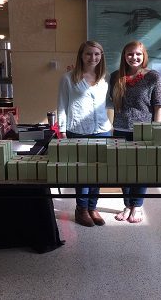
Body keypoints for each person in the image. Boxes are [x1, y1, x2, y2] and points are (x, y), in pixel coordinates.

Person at [107, 40, 161, 223]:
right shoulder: (116, 76)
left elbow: (159, 106)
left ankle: (137, 206)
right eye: (130, 54)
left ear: (144, 56)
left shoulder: (154, 77)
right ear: (124, 56)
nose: (134, 57)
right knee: (123, 170)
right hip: (120, 129)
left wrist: (156, 130)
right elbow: (111, 104)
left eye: (138, 54)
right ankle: (127, 205)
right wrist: (110, 127)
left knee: (141, 170)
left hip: (144, 131)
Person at [57, 40, 112, 227]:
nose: (93, 57)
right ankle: (81, 209)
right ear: (81, 55)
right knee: (82, 172)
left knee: (98, 172)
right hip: (78, 131)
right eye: (89, 53)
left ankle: (92, 207)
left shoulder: (105, 78)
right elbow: (62, 105)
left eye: (97, 54)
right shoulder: (68, 78)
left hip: (102, 131)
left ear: (101, 56)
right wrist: (62, 130)